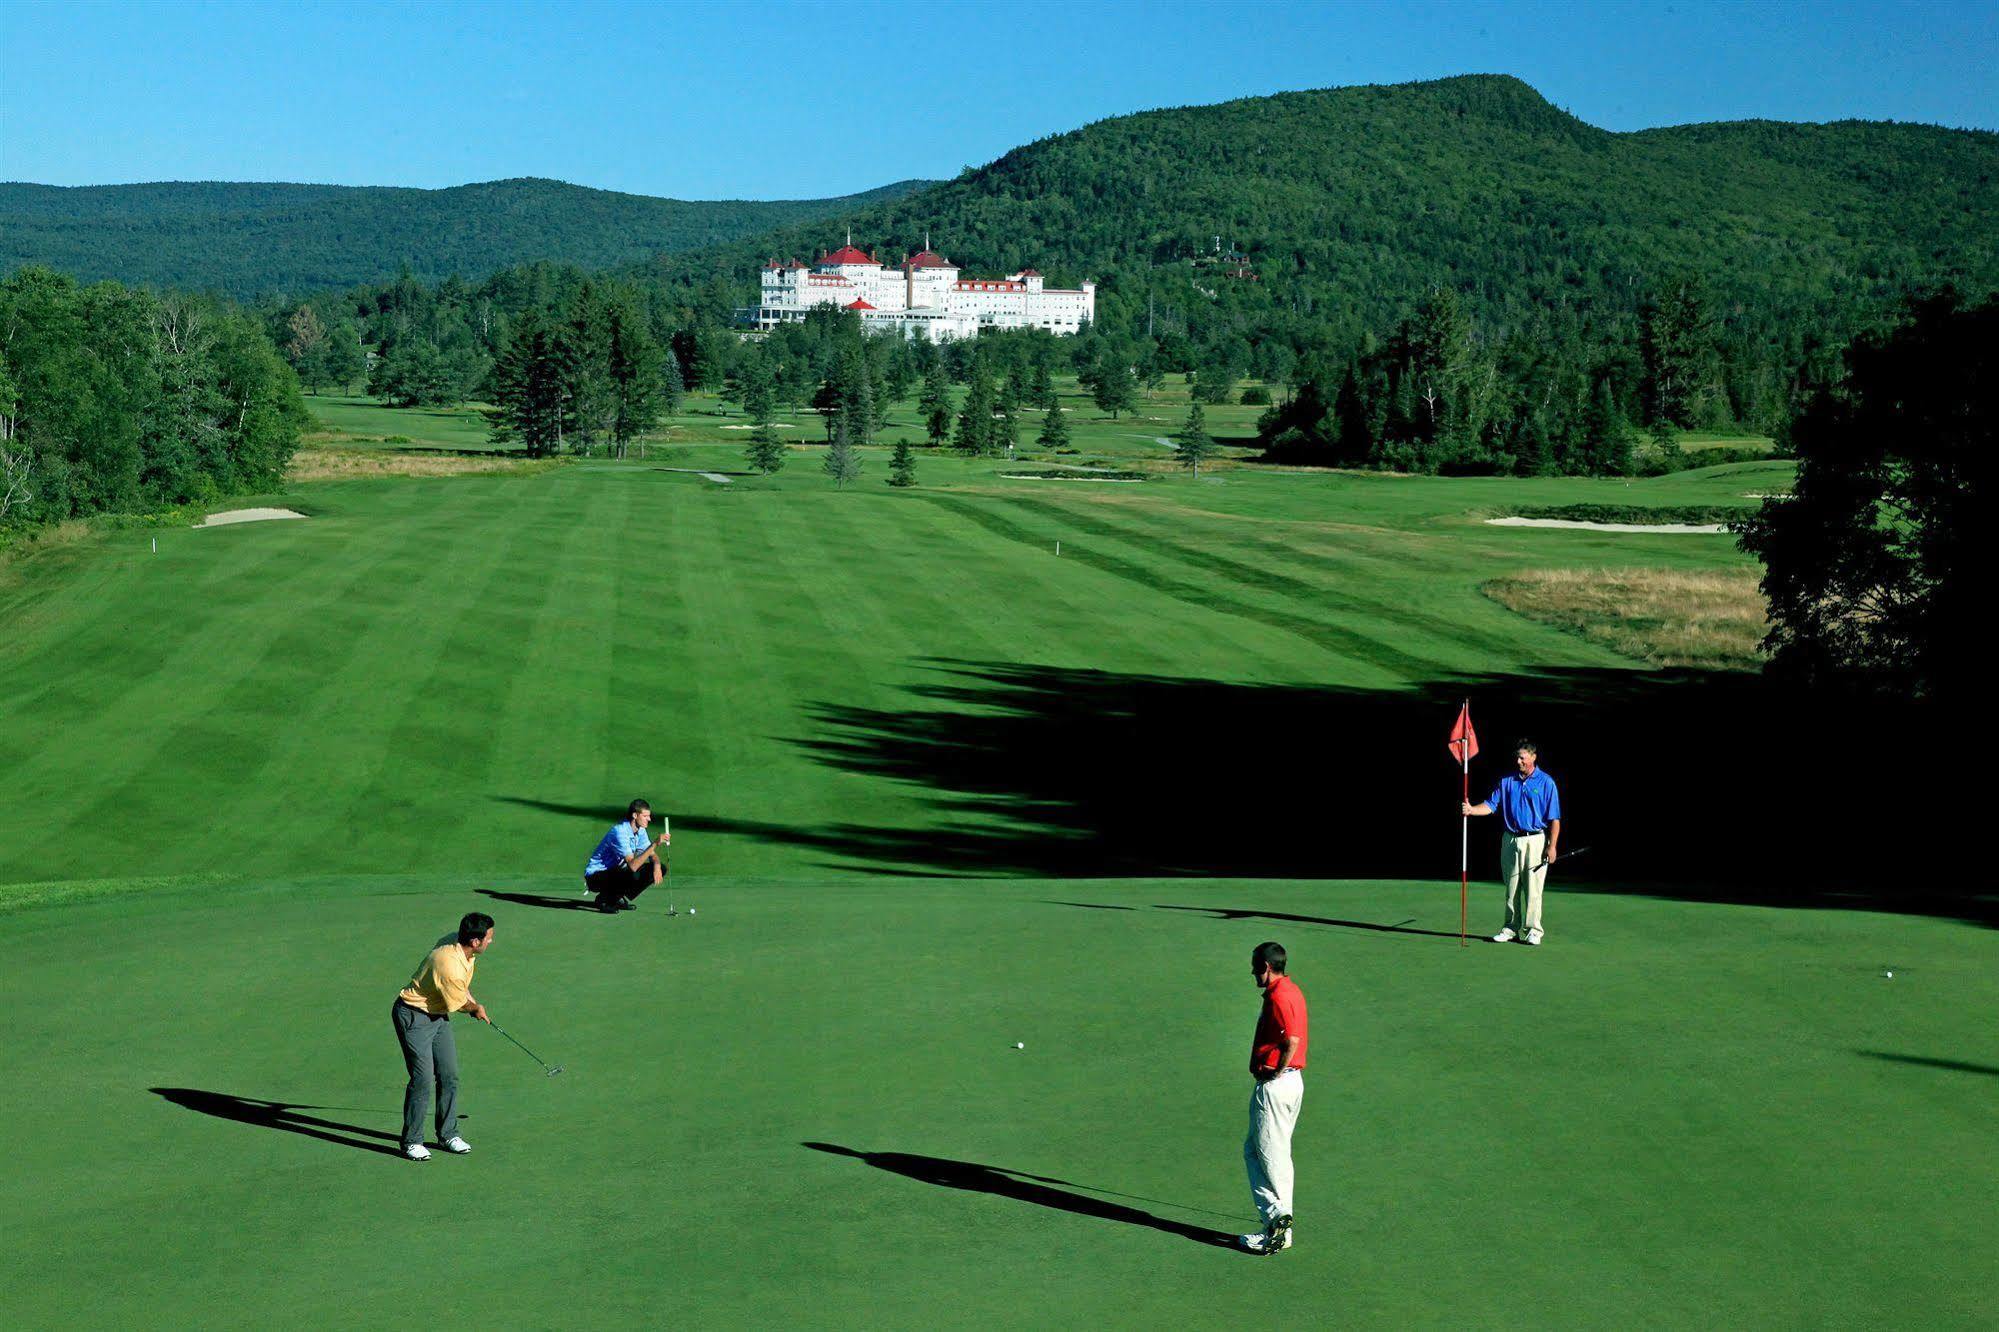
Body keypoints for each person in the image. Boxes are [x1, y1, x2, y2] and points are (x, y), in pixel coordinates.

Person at [392, 911, 494, 1162]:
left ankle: (448, 1134)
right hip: (413, 1016)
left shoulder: (458, 945)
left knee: (449, 1074)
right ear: (475, 942)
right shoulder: (449, 965)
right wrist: (476, 1008)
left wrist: (472, 1000)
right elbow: (458, 1003)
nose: (491, 941)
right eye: (488, 938)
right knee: (422, 1079)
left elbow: (460, 990)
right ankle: (411, 1141)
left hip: (437, 1016)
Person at [1239, 941, 1307, 1256]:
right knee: (1271, 1153)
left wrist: (1276, 1071)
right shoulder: (1291, 990)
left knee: (1265, 1156)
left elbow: (1292, 1038)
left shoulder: (1280, 996)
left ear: (1267, 966)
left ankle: (1274, 1220)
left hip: (1276, 1086)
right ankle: (1282, 1231)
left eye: (1256, 965)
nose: (1253, 971)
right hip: (1292, 1085)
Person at [1462, 738, 1562, 945]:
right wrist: (1472, 810)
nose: (1518, 761)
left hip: (1535, 840)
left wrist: (1552, 846)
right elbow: (1491, 805)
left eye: (1522, 758)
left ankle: (1534, 930)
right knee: (1512, 887)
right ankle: (1510, 928)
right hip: (1510, 840)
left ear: (1533, 757)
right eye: (1517, 757)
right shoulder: (1507, 782)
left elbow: (1554, 818)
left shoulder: (1546, 782)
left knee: (1533, 888)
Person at [583, 798, 669, 913]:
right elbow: (633, 866)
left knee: (661, 868)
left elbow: (652, 855)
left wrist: (657, 866)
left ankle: (616, 896)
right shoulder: (620, 832)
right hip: (596, 876)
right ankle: (604, 899)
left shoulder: (641, 830)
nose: (649, 819)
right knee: (632, 872)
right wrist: (655, 844)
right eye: (645, 816)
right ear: (635, 815)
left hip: (616, 872)